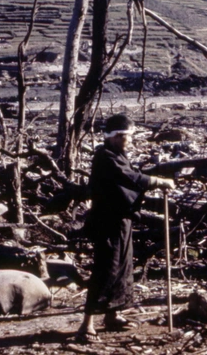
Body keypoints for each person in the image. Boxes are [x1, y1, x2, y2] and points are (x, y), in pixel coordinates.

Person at [76, 113, 175, 342]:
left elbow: (130, 178)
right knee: (105, 269)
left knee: (122, 267)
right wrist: (158, 182)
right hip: (107, 222)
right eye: (124, 136)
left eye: (129, 136)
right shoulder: (106, 158)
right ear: (112, 137)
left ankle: (112, 314)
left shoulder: (117, 154)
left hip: (121, 220)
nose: (128, 140)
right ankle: (86, 324)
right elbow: (129, 177)